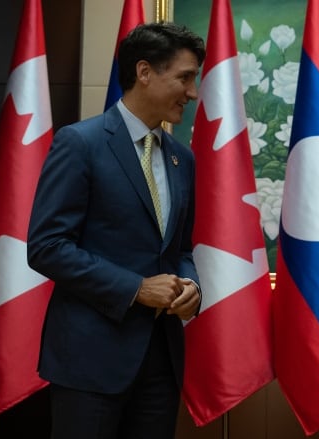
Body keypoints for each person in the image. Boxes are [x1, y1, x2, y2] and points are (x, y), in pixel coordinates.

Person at [27, 22, 205, 439]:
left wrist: (192, 287)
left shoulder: (183, 158)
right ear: (145, 72)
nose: (192, 92)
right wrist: (137, 288)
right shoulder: (80, 143)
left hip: (161, 362)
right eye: (184, 77)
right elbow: (47, 246)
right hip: (90, 361)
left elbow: (181, 248)